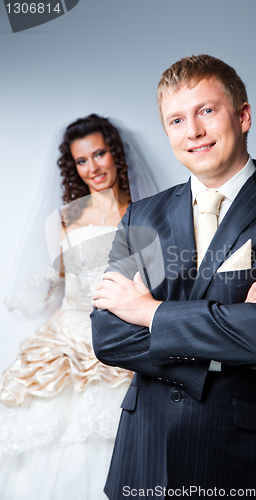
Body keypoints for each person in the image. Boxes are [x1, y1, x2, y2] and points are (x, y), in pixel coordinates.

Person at [91, 55, 256, 499]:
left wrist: (150, 311)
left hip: (248, 461)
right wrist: (231, 323)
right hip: (145, 457)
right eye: (176, 120)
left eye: (206, 111)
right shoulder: (141, 216)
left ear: (243, 116)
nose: (193, 132)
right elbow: (107, 336)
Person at [0, 114, 157, 499]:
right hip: (65, 342)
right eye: (81, 161)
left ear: (115, 154)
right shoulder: (63, 220)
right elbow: (59, 280)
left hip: (124, 335)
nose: (93, 167)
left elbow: (160, 280)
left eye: (99, 154)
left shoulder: (147, 212)